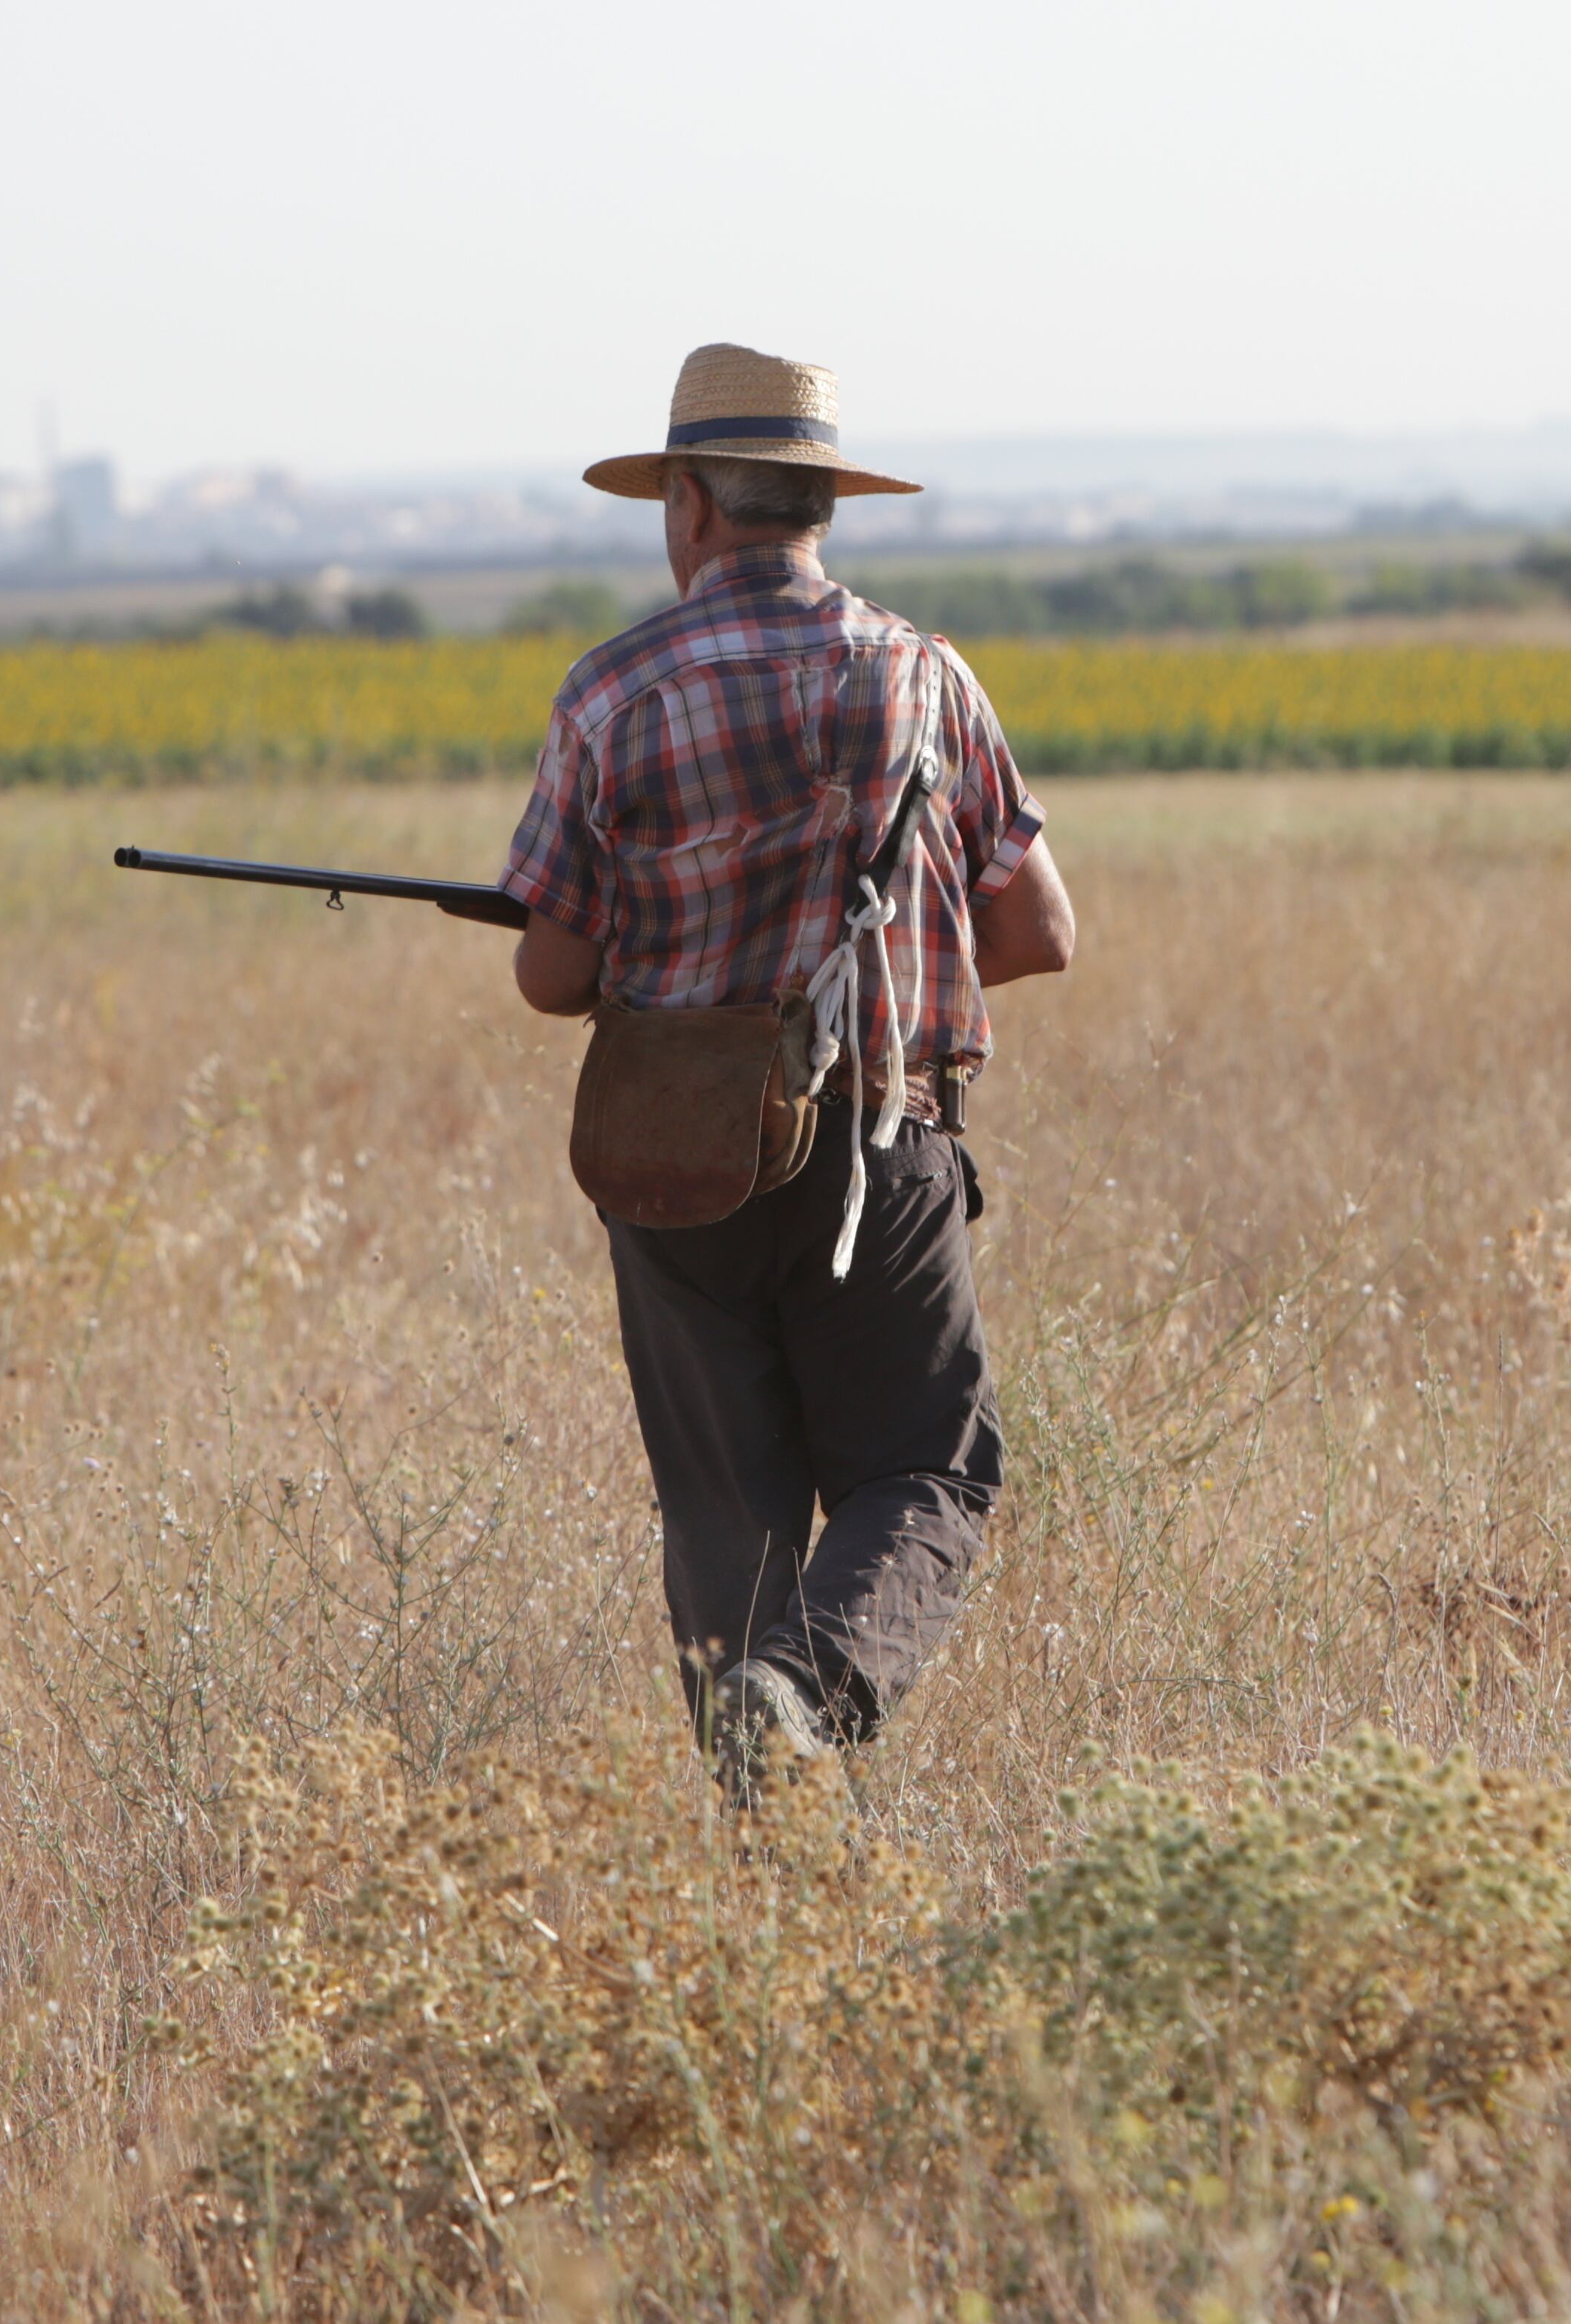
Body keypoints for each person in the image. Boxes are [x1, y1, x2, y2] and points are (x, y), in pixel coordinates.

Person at [498, 343, 1076, 1797]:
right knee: (923, 1473)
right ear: (819, 503)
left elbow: (547, 974)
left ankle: (757, 1823)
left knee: (723, 1509)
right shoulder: (927, 680)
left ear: (688, 505)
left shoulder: (611, 690)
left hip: (677, 1161)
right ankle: (806, 1695)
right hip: (883, 1143)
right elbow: (1040, 931)